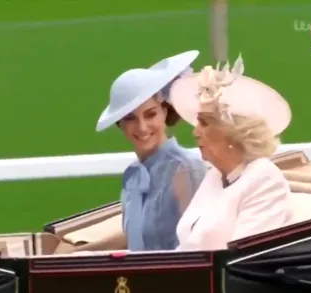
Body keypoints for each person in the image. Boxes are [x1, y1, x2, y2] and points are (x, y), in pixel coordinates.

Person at [169, 55, 293, 251]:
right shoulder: (215, 175)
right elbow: (186, 247)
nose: (195, 132)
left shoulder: (264, 178)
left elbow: (245, 258)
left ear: (233, 133)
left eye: (205, 123)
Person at [94, 50, 207, 251]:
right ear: (119, 123)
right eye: (130, 118)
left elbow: (198, 248)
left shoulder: (186, 168)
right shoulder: (132, 177)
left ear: (165, 112)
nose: (142, 127)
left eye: (150, 114)